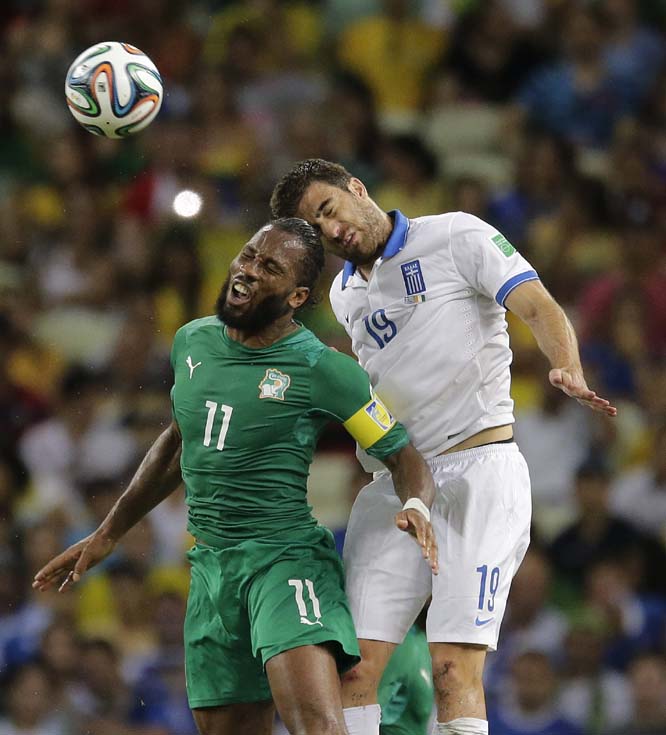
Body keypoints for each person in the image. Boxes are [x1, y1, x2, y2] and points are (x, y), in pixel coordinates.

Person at [32, 218, 439, 735]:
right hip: (211, 569)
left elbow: (403, 456)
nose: (246, 270)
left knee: (317, 725)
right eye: (248, 254)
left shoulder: (322, 370)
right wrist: (109, 532)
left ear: (297, 296)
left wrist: (417, 506)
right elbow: (180, 441)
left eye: (268, 266)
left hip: (284, 564)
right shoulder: (191, 342)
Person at [270, 160, 617, 735]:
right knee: (353, 673)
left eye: (328, 208)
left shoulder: (457, 234)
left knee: (453, 669)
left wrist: (566, 367)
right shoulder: (343, 293)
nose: (330, 230)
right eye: (315, 226)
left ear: (358, 188)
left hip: (479, 472)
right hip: (397, 488)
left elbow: (537, 305)